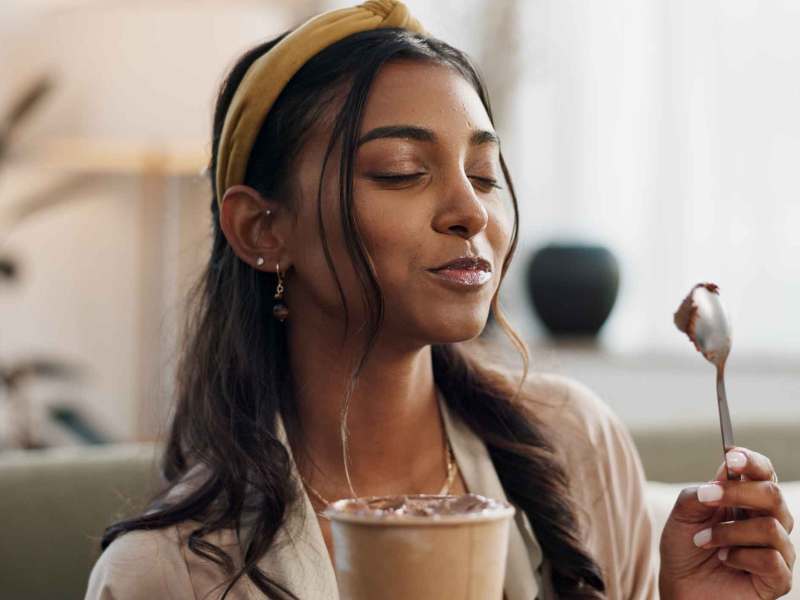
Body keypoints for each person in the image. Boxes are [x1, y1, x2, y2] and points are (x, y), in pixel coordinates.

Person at [85, 1, 795, 598]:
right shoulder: (163, 573)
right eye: (401, 171)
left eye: (484, 174)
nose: (471, 210)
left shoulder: (575, 446)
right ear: (263, 227)